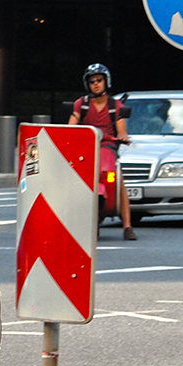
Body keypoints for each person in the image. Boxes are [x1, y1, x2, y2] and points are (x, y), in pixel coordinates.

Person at [68, 63, 137, 240]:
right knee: (72, 180)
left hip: (108, 147)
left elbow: (122, 130)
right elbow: (70, 128)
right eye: (92, 81)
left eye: (99, 80)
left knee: (119, 181)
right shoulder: (81, 104)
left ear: (106, 82)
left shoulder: (115, 105)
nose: (96, 84)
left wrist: (123, 137)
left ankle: (128, 226)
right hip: (85, 148)